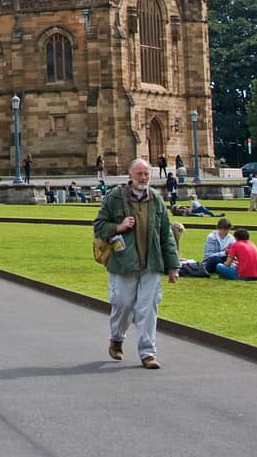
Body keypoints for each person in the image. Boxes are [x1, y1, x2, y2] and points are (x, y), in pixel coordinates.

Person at [94, 158, 180, 369]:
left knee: (147, 308)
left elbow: (165, 234)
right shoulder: (115, 197)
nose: (143, 178)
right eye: (140, 174)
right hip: (124, 261)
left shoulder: (156, 200)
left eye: (146, 175)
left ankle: (148, 353)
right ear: (130, 175)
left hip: (151, 263)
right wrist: (118, 227)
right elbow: (99, 226)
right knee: (123, 304)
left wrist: (173, 265)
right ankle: (117, 338)